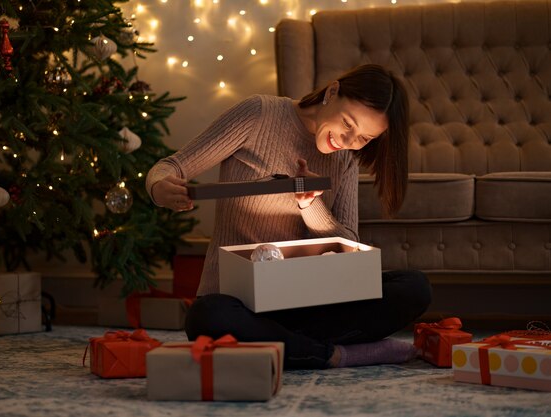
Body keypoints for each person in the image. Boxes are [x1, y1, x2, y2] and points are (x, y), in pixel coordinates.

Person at [146, 64, 432, 369]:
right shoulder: (259, 114)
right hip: (238, 301)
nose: (348, 140)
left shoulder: (345, 161)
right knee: (206, 317)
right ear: (332, 91)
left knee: (414, 287)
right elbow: (171, 167)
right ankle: (334, 354)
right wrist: (160, 188)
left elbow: (348, 244)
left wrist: (310, 205)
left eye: (363, 138)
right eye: (348, 123)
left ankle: (289, 346)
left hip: (306, 302)